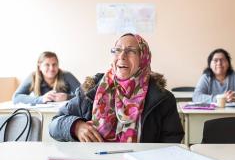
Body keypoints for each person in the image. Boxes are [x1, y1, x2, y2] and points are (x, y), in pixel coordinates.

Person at [49, 33, 184, 143]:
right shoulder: (91, 89)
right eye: (117, 50)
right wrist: (76, 127)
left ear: (144, 58)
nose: (122, 56)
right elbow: (54, 125)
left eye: (131, 51)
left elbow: (172, 140)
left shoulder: (162, 98)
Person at [12, 51, 80, 104]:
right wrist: (41, 99)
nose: (51, 68)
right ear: (39, 66)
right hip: (42, 114)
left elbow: (84, 95)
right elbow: (16, 97)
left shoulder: (67, 75)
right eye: (47, 65)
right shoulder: (33, 77)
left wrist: (67, 97)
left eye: (54, 64)